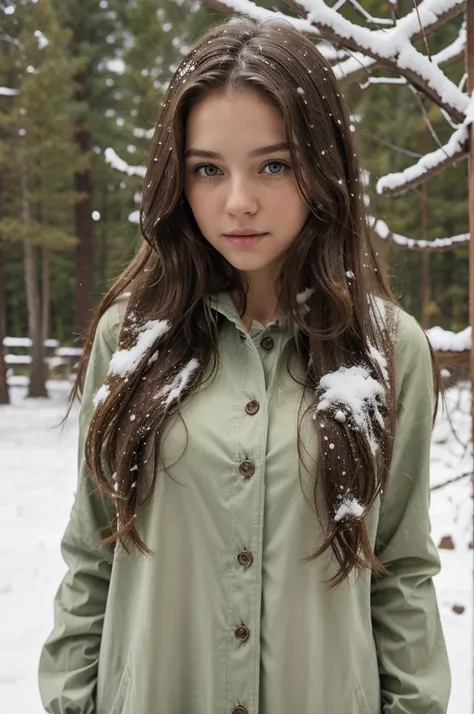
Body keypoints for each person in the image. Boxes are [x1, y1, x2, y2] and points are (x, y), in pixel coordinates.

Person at [38, 15, 451, 714]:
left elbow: (401, 571)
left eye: (273, 164)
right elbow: (92, 555)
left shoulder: (389, 350)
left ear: (322, 166)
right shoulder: (130, 338)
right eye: (207, 169)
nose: (238, 202)